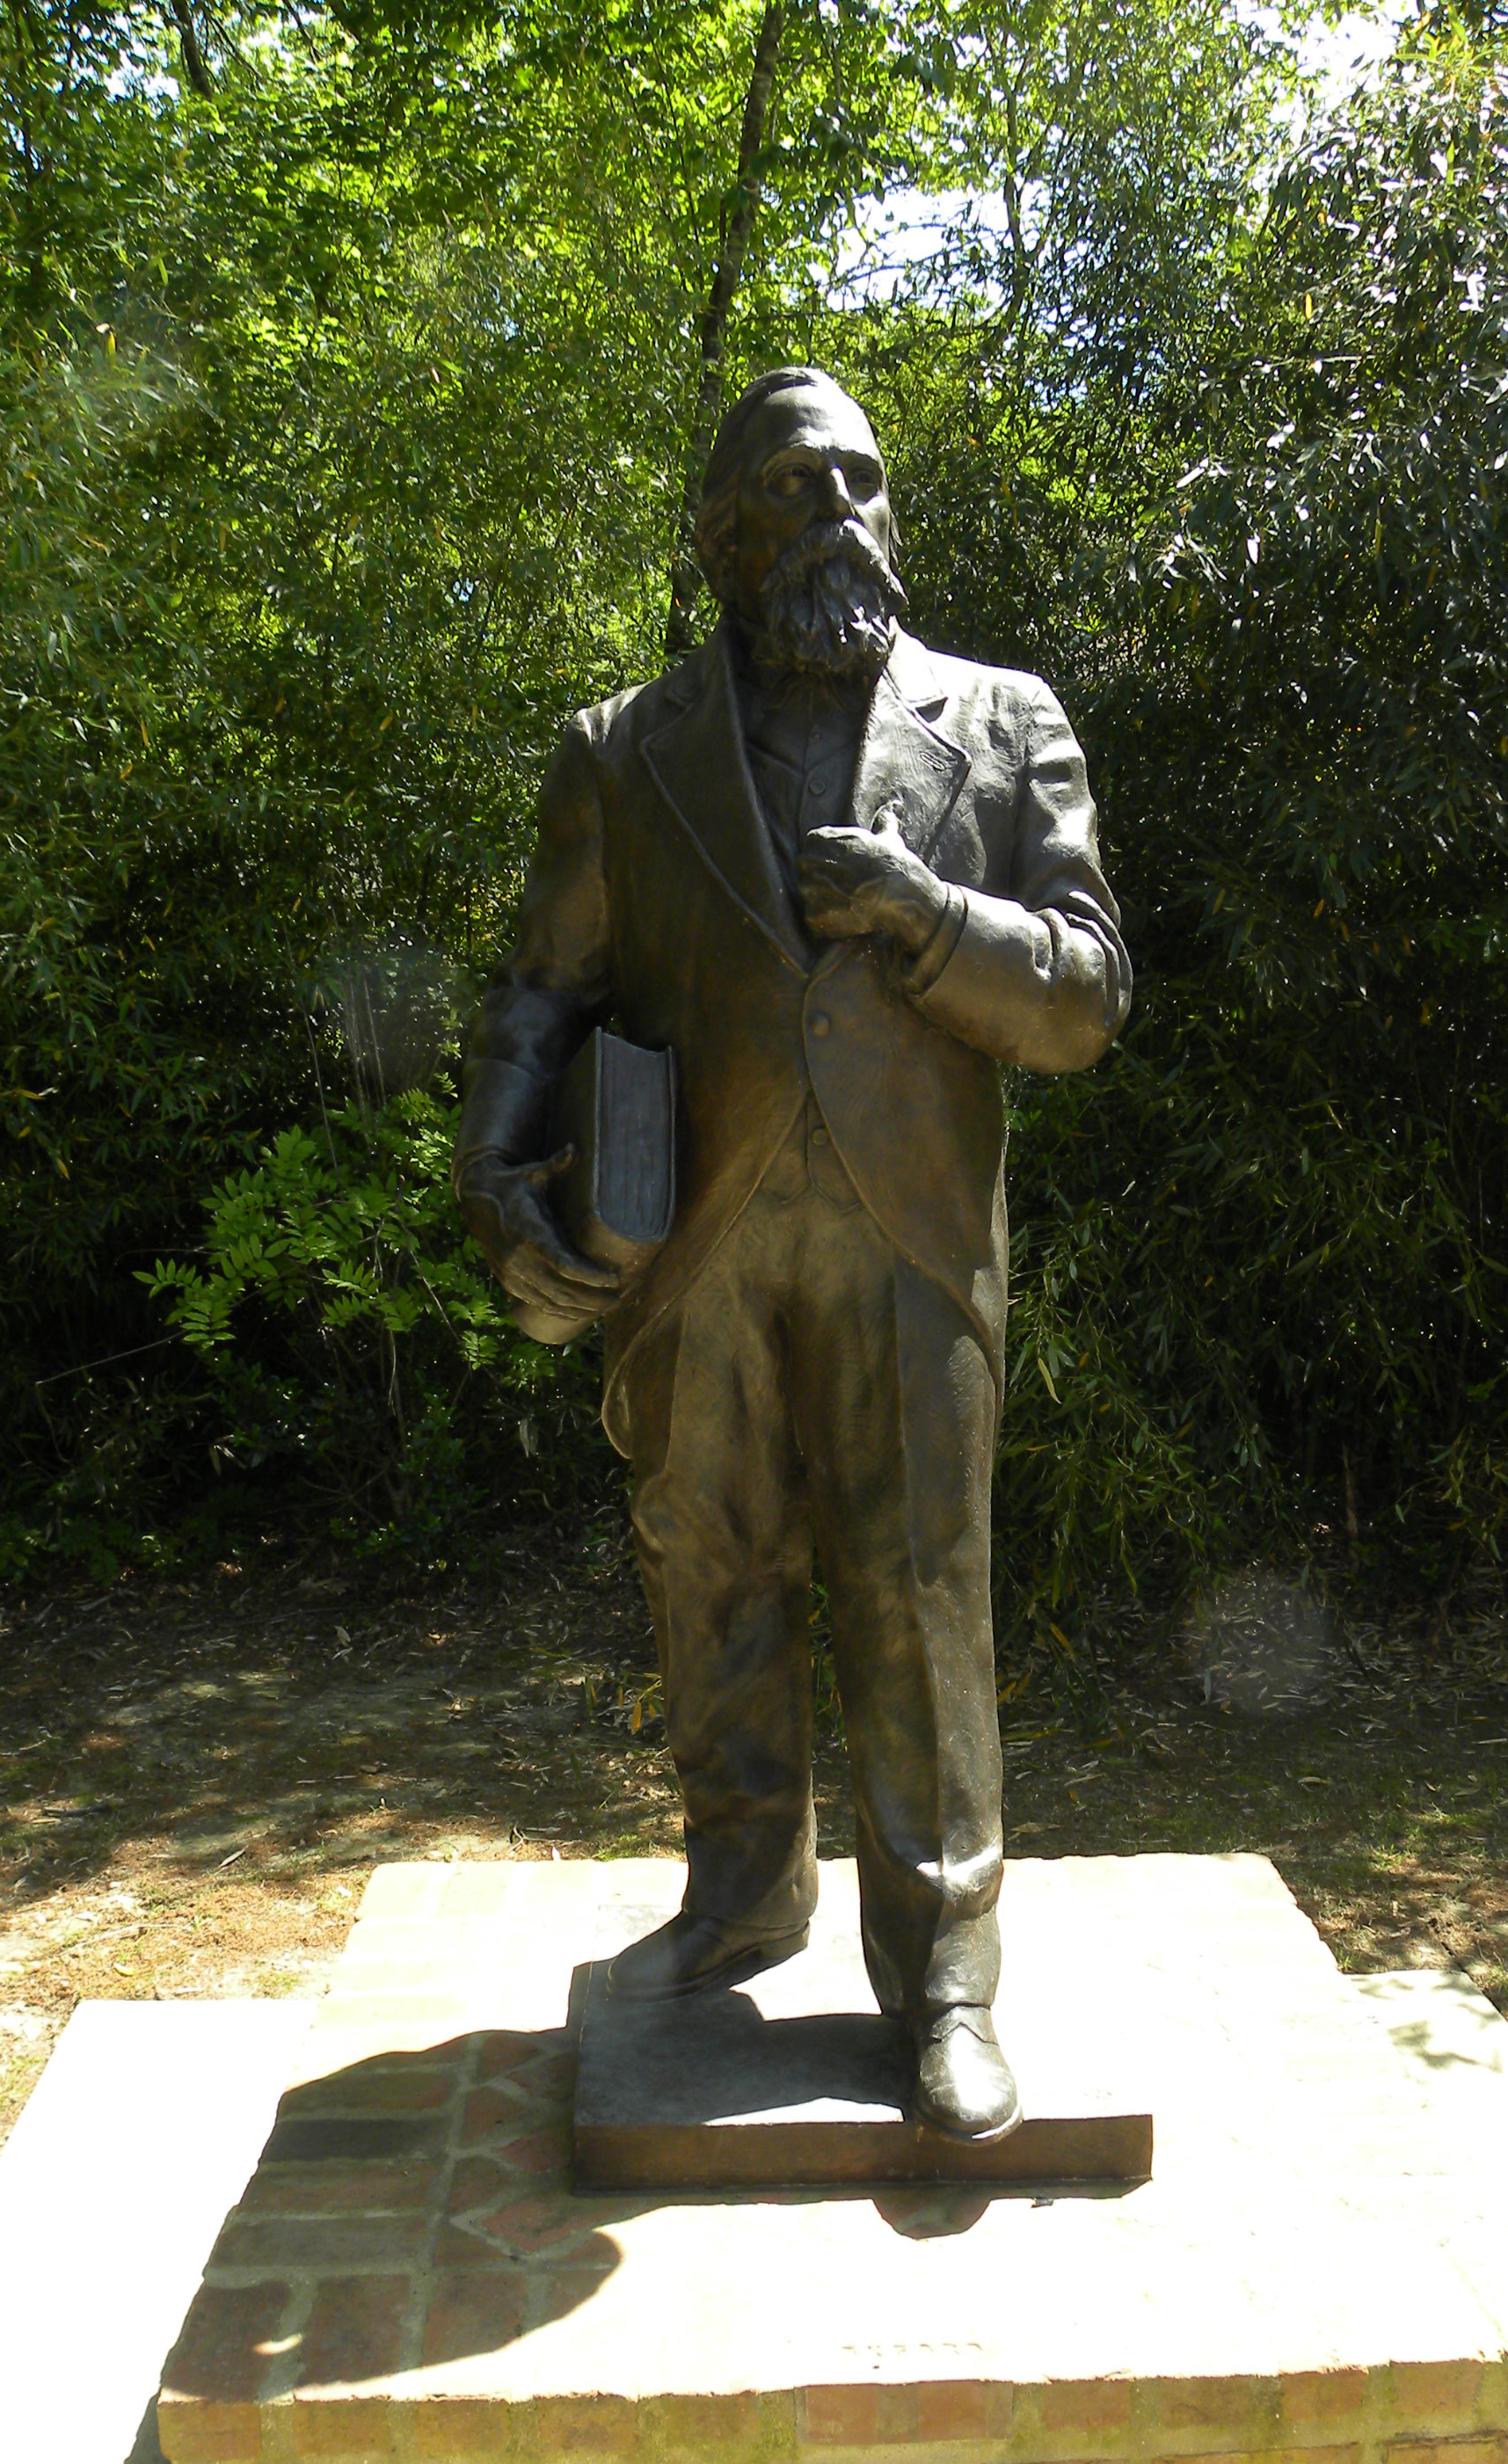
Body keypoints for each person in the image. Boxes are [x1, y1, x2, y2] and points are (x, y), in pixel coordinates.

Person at [452, 366, 1130, 2140]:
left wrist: (930, 915)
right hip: (695, 1235)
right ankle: (745, 1888)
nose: (841, 513)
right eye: (795, 486)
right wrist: (494, 1174)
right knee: (713, 1569)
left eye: (863, 482)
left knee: (920, 1594)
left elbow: (1085, 996)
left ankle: (947, 1979)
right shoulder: (622, 751)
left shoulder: (1003, 721)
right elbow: (543, 992)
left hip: (910, 1241)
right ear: (721, 537)